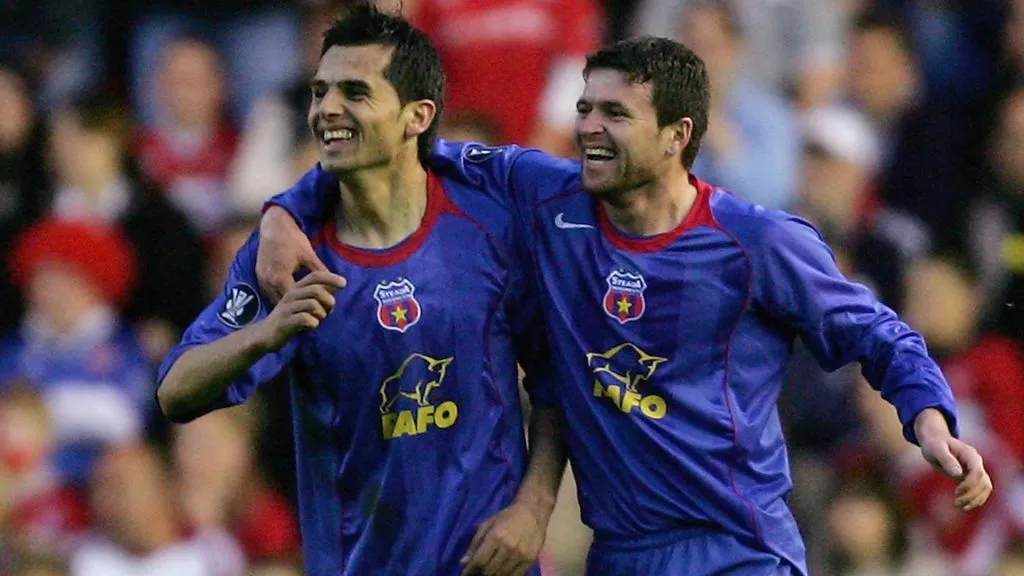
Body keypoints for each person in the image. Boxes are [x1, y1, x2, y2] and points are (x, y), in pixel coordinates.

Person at [258, 34, 994, 575]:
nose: (587, 128)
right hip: (620, 556)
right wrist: (283, 212)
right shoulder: (549, 197)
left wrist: (927, 416)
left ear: (677, 136)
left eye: (614, 113)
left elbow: (877, 332)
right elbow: (396, 151)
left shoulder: (755, 241)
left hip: (737, 548)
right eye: (584, 108)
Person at [156, 4, 565, 576]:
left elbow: (553, 378)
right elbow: (176, 391)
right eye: (320, 91)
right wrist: (267, 334)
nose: (327, 109)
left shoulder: (488, 222)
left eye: (354, 92)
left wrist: (534, 507)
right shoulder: (288, 253)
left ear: (416, 116)